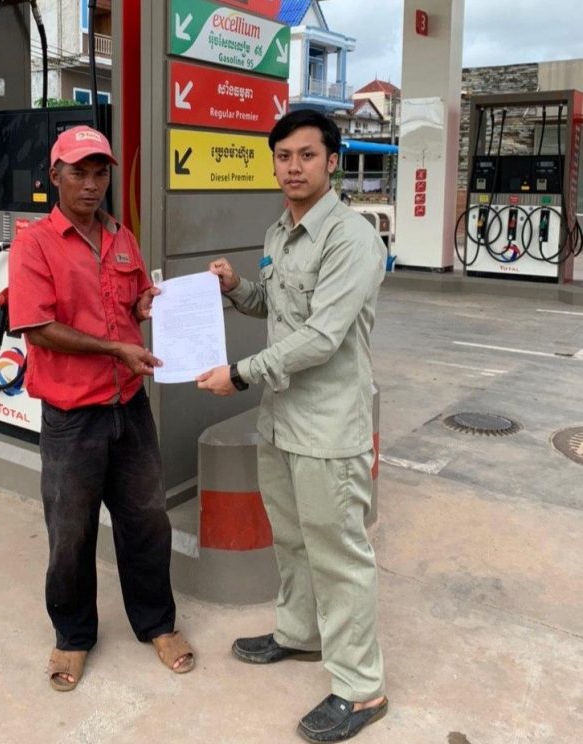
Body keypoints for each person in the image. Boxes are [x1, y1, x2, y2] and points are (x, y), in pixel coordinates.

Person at [197, 109, 387, 742]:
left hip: (328, 427)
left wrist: (240, 374)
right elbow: (275, 307)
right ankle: (301, 633)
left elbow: (322, 336)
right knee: (294, 539)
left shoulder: (351, 238)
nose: (293, 168)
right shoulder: (280, 232)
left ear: (332, 161)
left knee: (340, 555)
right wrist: (236, 287)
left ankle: (361, 689)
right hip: (282, 422)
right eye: (283, 157)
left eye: (307, 155)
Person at [8, 125, 194, 692]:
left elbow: (131, 303)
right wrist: (115, 348)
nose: (91, 185)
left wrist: (145, 305)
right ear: (55, 175)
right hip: (72, 416)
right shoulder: (35, 243)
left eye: (99, 173)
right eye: (79, 173)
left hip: (129, 406)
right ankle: (72, 636)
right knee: (71, 531)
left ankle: (157, 623)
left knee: (148, 521)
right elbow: (38, 327)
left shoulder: (121, 236)